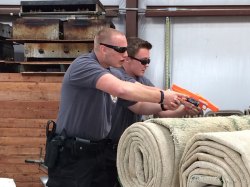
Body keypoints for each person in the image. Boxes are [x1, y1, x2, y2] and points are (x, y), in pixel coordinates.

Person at [45, 28, 187, 187]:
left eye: (126, 49)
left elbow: (139, 102)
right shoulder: (84, 65)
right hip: (73, 155)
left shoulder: (115, 73)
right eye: (120, 50)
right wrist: (163, 96)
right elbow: (122, 89)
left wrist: (169, 98)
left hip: (99, 152)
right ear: (103, 49)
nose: (125, 54)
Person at [106, 37, 202, 187]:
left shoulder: (143, 81)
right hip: (109, 147)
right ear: (127, 59)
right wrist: (165, 99)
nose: (147, 65)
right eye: (143, 61)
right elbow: (139, 106)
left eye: (148, 61)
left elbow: (161, 113)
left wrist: (184, 109)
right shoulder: (117, 77)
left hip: (131, 145)